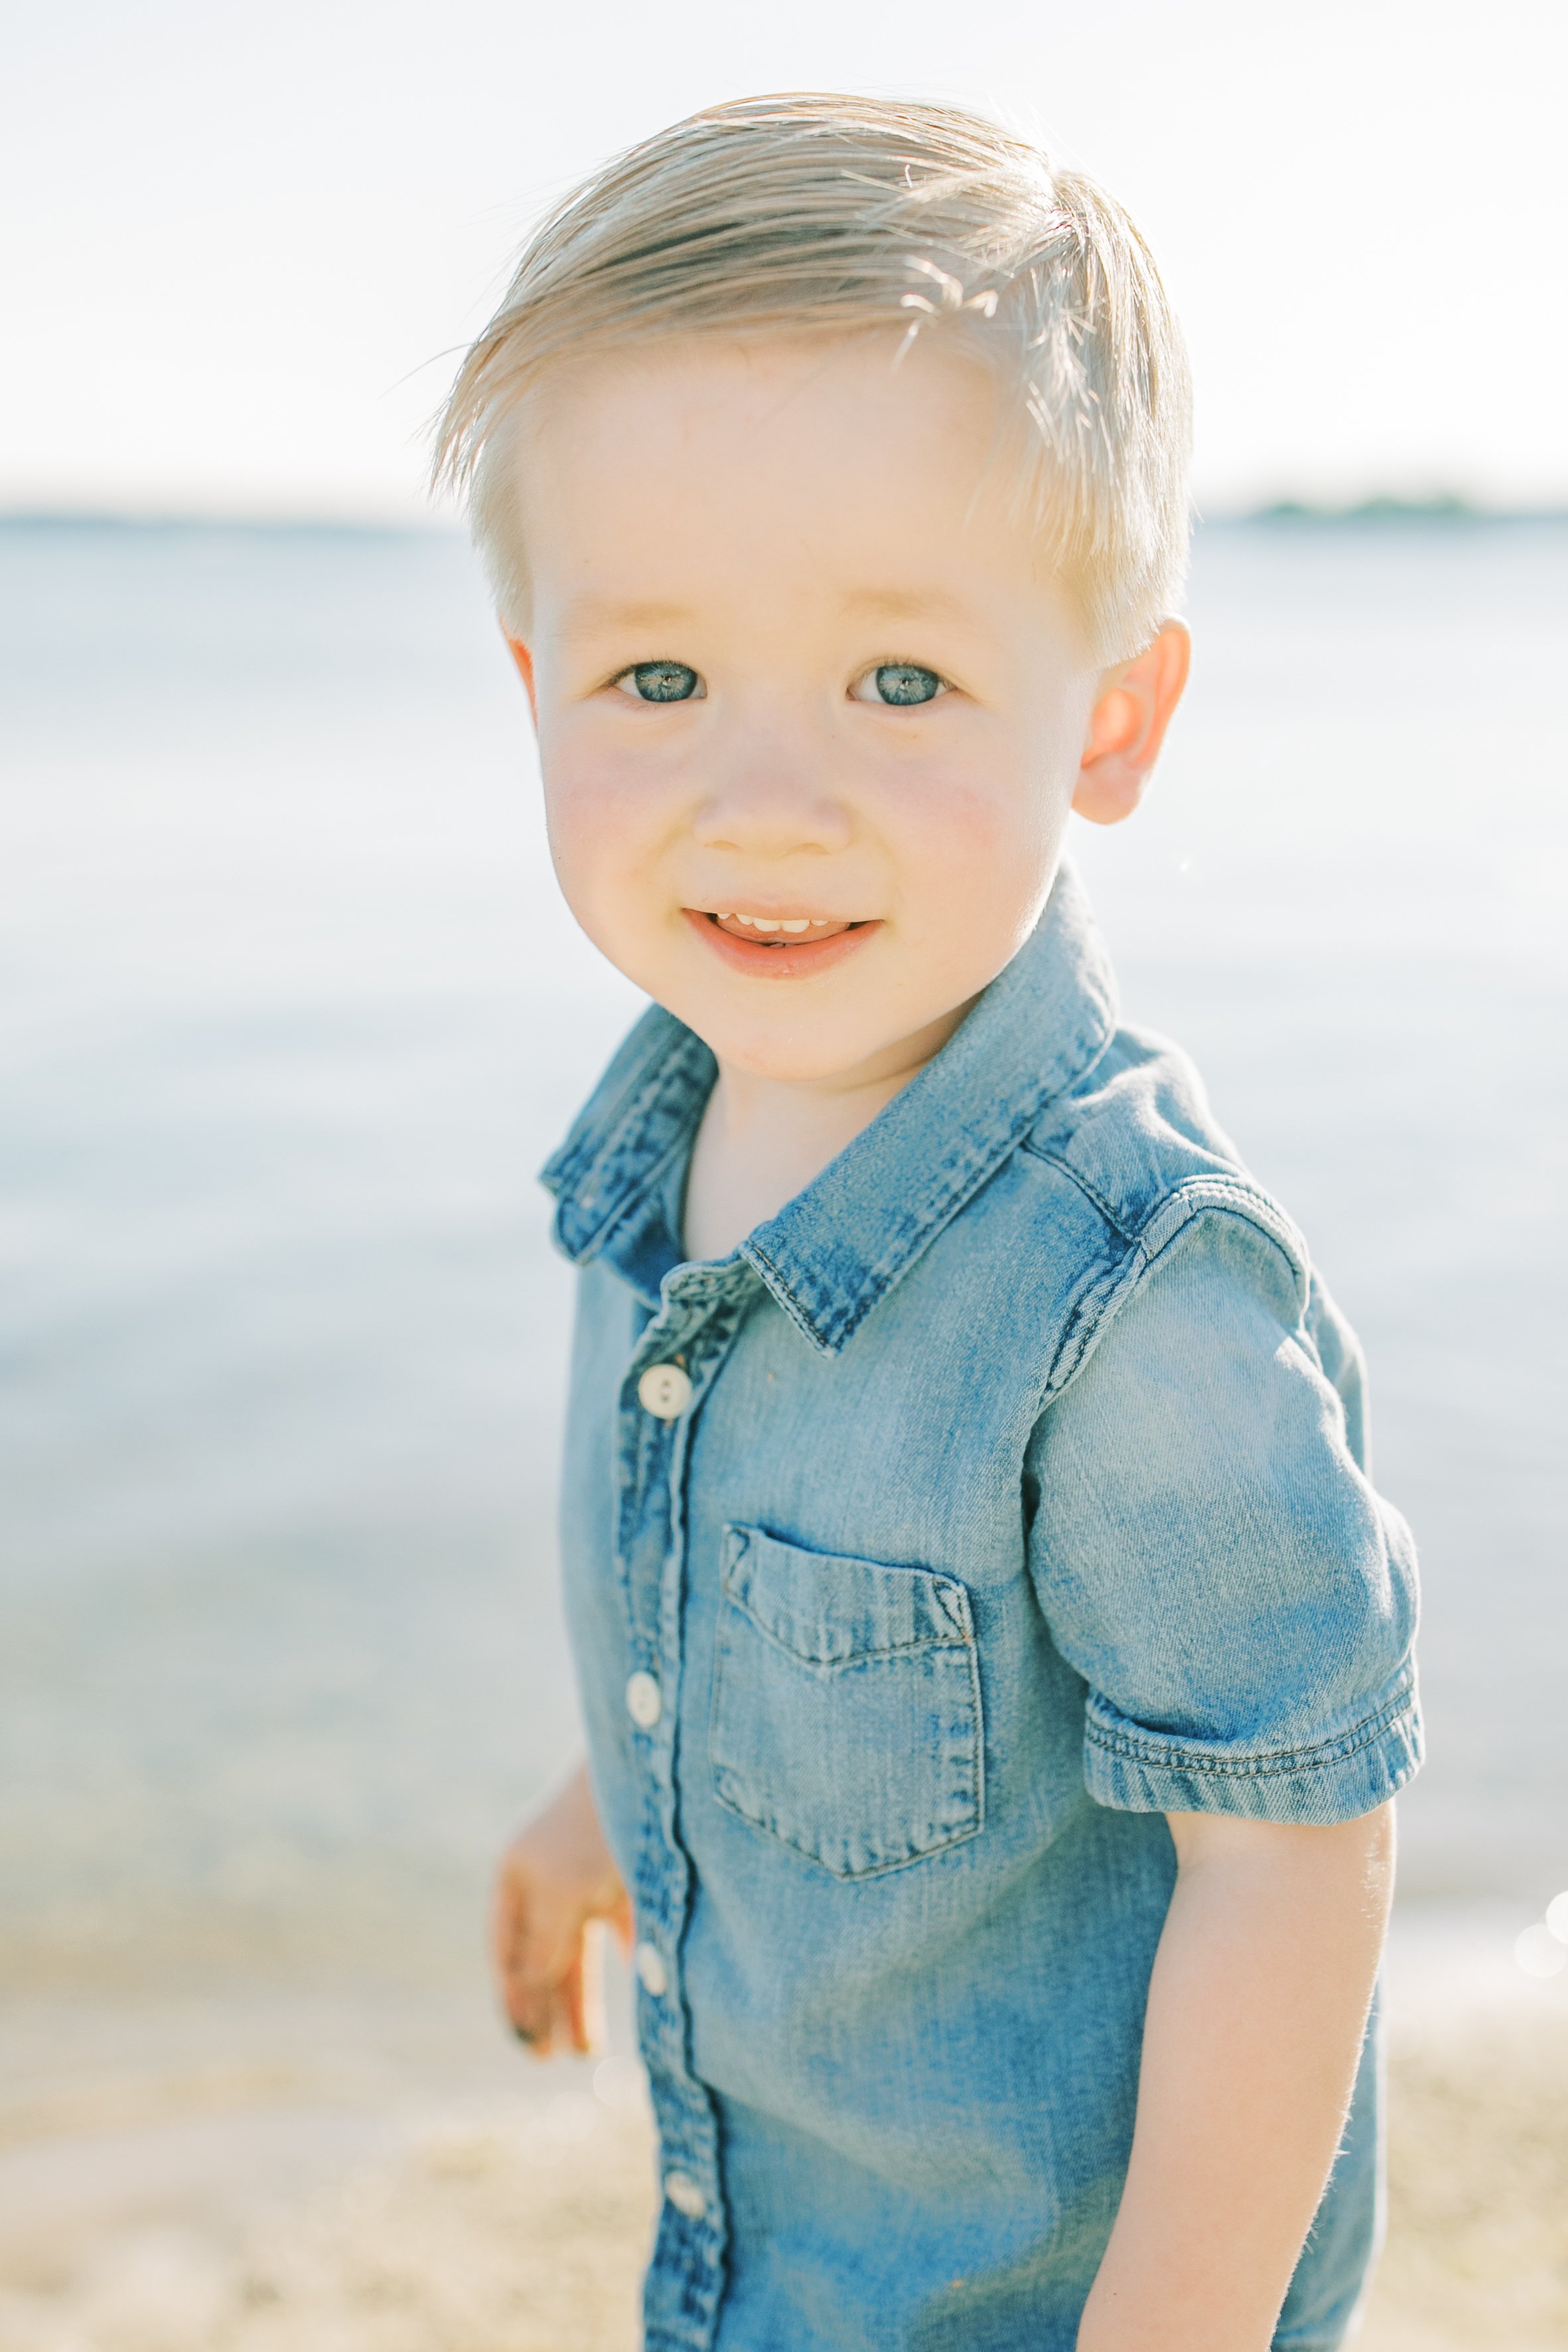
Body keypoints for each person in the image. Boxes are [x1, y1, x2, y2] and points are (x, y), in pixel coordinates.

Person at [432, 95, 1421, 2352]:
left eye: (901, 683)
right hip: (772, 2260)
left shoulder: (1131, 1294)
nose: (765, 798)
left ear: (1114, 715)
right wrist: (612, 1790)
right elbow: (770, 1591)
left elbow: (1289, 1861)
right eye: (655, 680)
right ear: (530, 693)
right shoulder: (656, 1146)